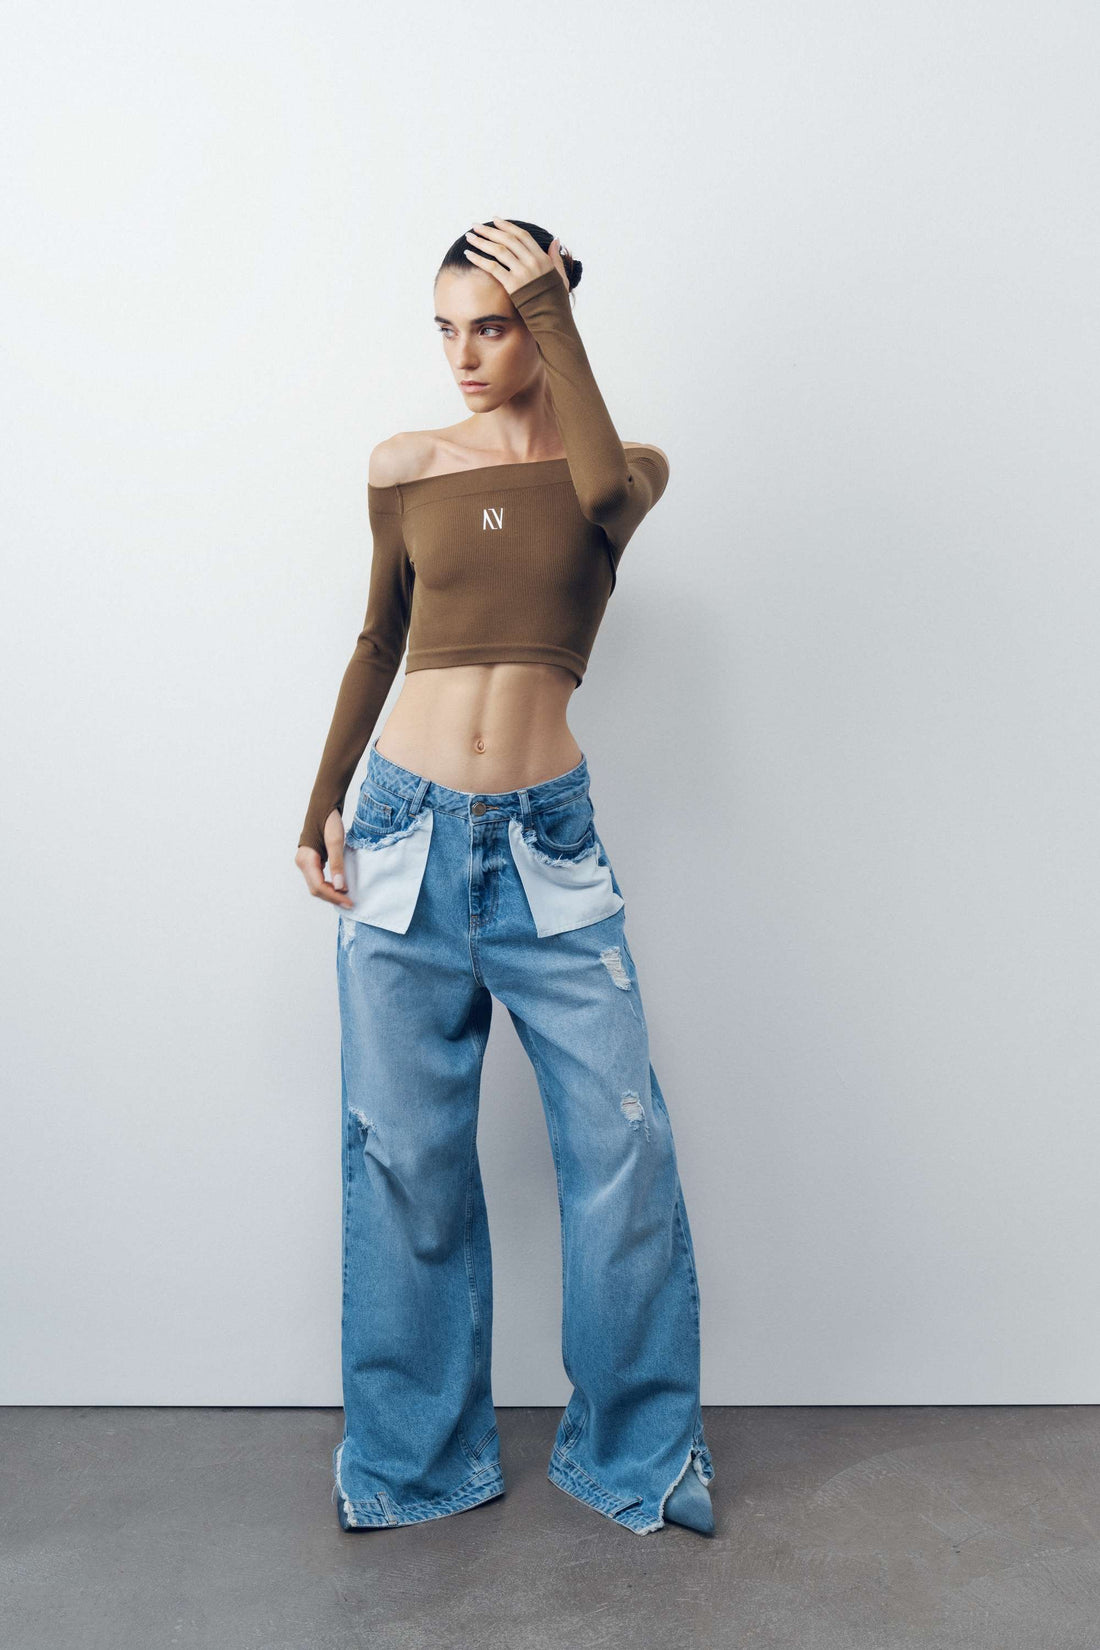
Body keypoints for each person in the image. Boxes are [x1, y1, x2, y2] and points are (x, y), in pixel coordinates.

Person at [294, 217, 715, 1536]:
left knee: (621, 1144)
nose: (465, 356)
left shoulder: (624, 469)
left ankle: (638, 1457)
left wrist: (554, 311)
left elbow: (602, 501)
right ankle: (412, 1463)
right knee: (403, 1159)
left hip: (547, 846)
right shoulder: (406, 465)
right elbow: (379, 639)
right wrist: (321, 804)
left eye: (494, 325)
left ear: (543, 322)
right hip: (402, 833)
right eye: (448, 329)